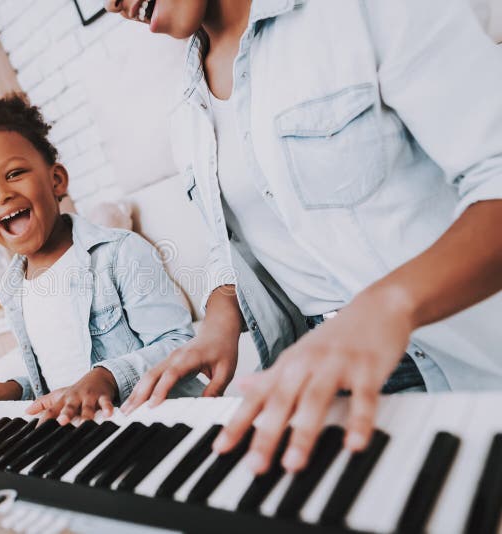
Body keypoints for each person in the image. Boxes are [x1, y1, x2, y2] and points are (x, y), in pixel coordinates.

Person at [105, 0, 502, 475]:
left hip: (463, 356)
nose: (109, 3)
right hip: (320, 366)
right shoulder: (184, 111)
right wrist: (218, 321)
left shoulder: (364, 11)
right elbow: (229, 242)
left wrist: (384, 308)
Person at [0, 89, 204, 423]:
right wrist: (13, 389)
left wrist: (107, 377)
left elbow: (179, 345)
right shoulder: (13, 290)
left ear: (57, 180)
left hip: (157, 424)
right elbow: (59, 380)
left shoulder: (119, 253)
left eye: (14, 174)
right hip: (83, 436)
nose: (0, 195)